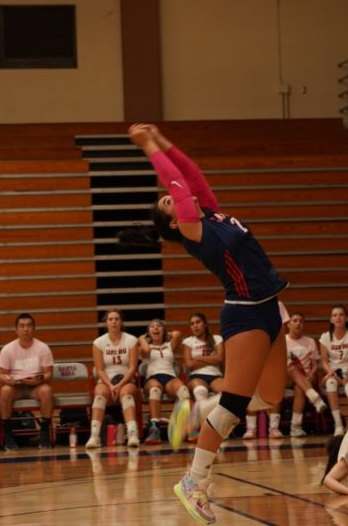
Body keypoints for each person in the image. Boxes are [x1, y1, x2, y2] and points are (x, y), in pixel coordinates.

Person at [124, 123, 289, 525]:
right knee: (233, 407)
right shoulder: (195, 232)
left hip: (271, 308)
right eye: (167, 204)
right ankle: (194, 482)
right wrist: (148, 146)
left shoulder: (210, 213)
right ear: (175, 223)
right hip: (245, 312)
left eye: (168, 199)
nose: (171, 198)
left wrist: (161, 139)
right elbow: (178, 183)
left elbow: (189, 173)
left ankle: (199, 413)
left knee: (270, 397)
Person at [0, 313, 55, 449]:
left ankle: (45, 432)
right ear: (16, 330)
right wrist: (9, 380)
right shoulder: (7, 349)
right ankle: (8, 434)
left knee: (47, 390)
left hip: (35, 387)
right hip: (16, 387)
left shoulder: (43, 348)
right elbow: (0, 374)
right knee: (5, 391)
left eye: (29, 325)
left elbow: (49, 374)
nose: (25, 329)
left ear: (34, 328)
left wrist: (38, 379)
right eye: (22, 326)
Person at [86, 309, 141, 448]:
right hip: (106, 381)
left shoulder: (131, 340)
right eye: (110, 319)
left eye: (116, 319)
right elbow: (99, 369)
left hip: (126, 379)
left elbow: (133, 367)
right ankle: (94, 437)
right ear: (106, 323)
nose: (114, 322)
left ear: (121, 322)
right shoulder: (99, 342)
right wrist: (111, 386)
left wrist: (120, 384)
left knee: (126, 394)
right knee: (99, 394)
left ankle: (133, 435)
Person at [138, 318, 190, 444]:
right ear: (148, 332)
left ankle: (185, 427)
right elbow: (145, 351)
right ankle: (155, 429)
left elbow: (177, 333)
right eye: (152, 326)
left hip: (170, 377)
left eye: (159, 326)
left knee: (184, 391)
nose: (156, 328)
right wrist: (142, 339)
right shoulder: (145, 347)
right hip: (153, 378)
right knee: (155, 390)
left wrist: (167, 334)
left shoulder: (169, 346)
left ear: (164, 330)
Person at [318, 304, 348, 436]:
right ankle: (338, 424)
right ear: (331, 320)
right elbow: (325, 362)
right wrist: (331, 372)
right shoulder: (325, 337)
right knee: (330, 383)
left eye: (341, 314)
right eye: (335, 315)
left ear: (347, 318)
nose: (338, 317)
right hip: (334, 372)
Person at [182, 312, 224, 442]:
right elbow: (189, 364)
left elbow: (220, 358)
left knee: (227, 393)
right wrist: (211, 358)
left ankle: (216, 428)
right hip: (196, 376)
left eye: (198, 322)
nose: (195, 326)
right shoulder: (188, 341)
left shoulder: (217, 339)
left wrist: (198, 358)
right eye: (192, 324)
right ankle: (199, 428)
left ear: (205, 324)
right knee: (200, 391)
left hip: (215, 375)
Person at [285, 310, 327, 437]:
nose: (298, 324)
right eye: (295, 321)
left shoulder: (310, 341)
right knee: (292, 368)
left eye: (301, 321)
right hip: (286, 377)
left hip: (305, 378)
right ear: (288, 324)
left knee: (299, 388)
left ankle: (295, 427)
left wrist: (312, 374)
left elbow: (314, 365)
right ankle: (315, 398)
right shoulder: (282, 340)